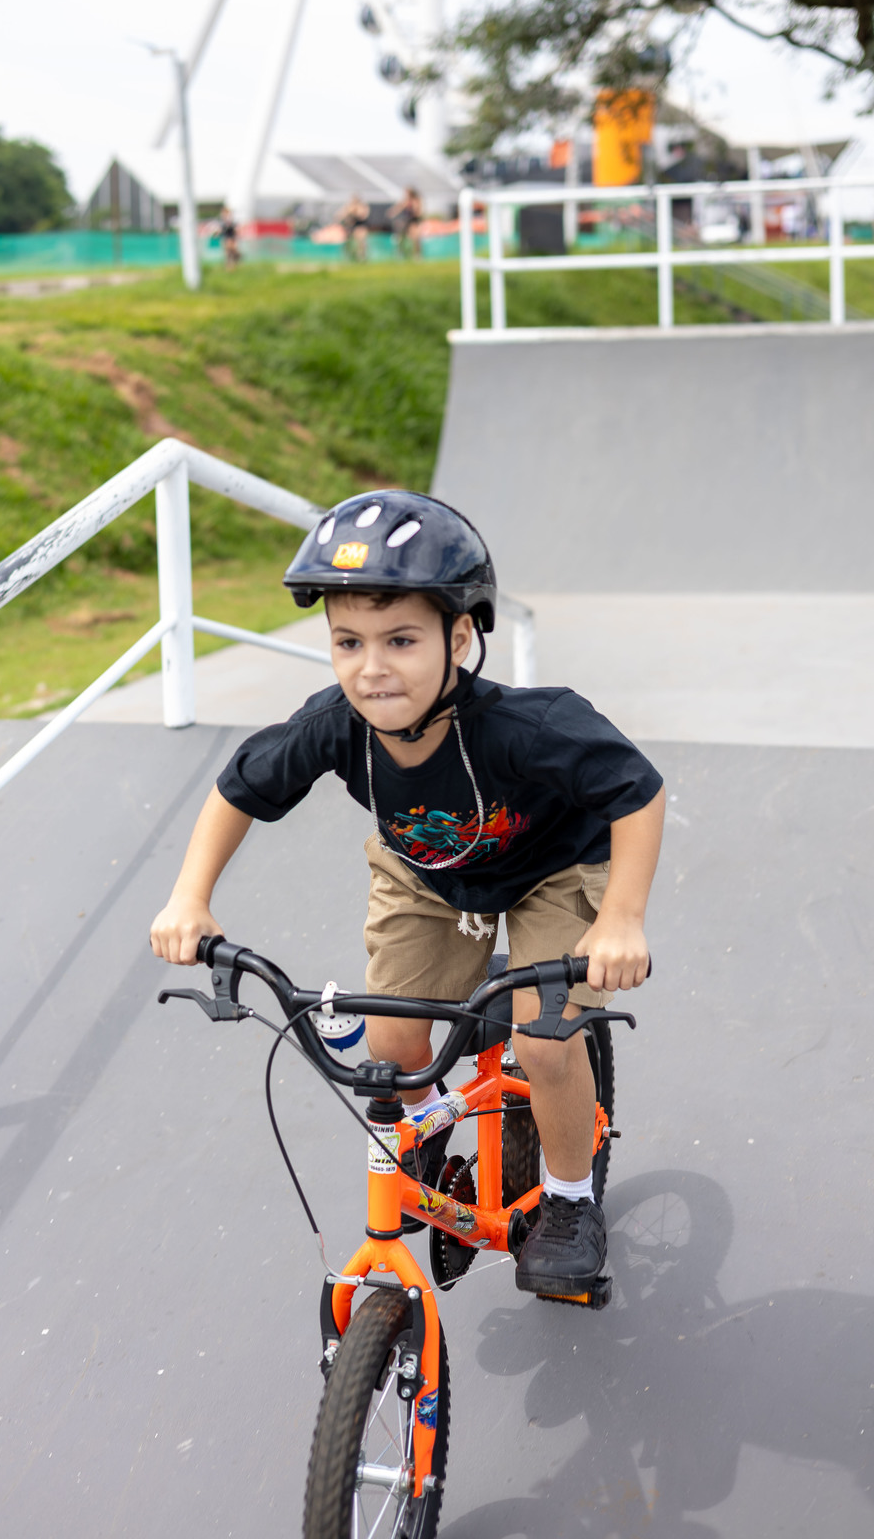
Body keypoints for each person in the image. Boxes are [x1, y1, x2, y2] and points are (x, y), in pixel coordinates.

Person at [150, 492, 663, 1297]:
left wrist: (622, 918)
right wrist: (190, 897)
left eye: (401, 640)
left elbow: (637, 792)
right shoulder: (336, 724)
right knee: (391, 1045)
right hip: (427, 876)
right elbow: (237, 789)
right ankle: (426, 1132)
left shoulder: (527, 728)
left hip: (554, 871)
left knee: (543, 1043)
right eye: (348, 642)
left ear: (458, 639)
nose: (371, 667)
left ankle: (569, 1200)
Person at [390, 185, 423, 259]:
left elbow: (419, 212)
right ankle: (400, 252)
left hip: (414, 221)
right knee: (400, 237)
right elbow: (399, 207)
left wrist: (415, 209)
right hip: (407, 221)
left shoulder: (417, 200)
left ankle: (417, 255)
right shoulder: (406, 201)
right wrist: (393, 212)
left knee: (416, 238)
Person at [339, 192, 370, 262]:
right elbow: (341, 215)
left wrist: (355, 212)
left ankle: (362, 257)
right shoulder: (349, 206)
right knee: (348, 242)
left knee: (361, 243)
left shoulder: (362, 206)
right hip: (351, 226)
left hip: (360, 226)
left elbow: (363, 216)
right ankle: (350, 256)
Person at [217, 204, 241, 270]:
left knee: (231, 250)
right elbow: (220, 229)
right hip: (226, 237)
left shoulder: (231, 221)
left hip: (231, 236)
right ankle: (229, 265)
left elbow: (236, 229)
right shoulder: (222, 221)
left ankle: (233, 262)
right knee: (228, 252)